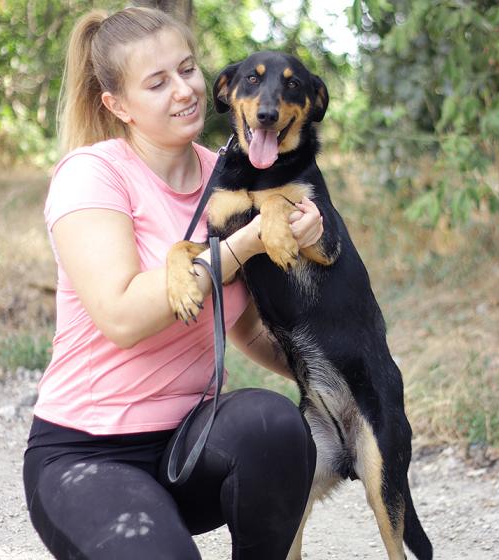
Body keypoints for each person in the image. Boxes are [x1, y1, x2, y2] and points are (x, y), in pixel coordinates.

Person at [23, 7, 324, 560]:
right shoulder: (92, 174)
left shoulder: (231, 178)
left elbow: (248, 331)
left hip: (190, 445)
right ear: (118, 105)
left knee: (275, 425)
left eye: (187, 70)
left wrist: (343, 378)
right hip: (87, 455)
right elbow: (120, 316)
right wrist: (243, 245)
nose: (184, 90)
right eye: (157, 82)